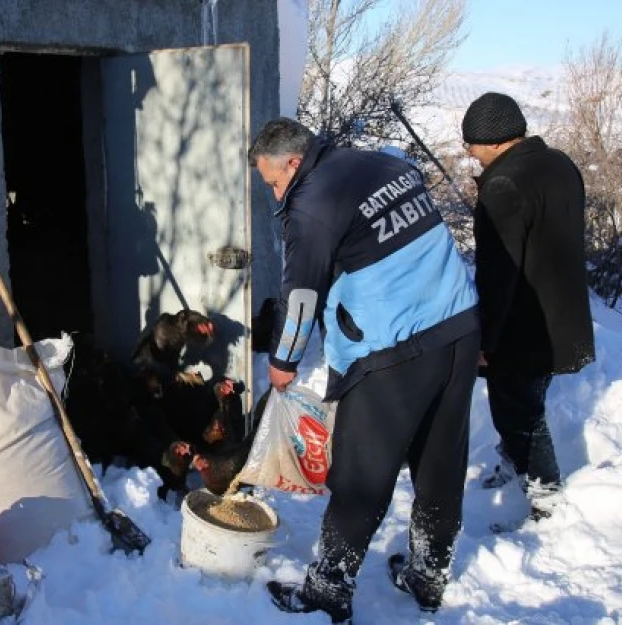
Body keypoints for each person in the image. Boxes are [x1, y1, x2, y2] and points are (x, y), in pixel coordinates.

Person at [250, 117, 480, 622]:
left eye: (272, 180)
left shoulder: (312, 205)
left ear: (294, 162)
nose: (273, 190)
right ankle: (427, 575)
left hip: (395, 349)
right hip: (459, 328)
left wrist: (284, 363)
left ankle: (328, 590)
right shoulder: (380, 162)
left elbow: (302, 297)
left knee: (361, 474)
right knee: (440, 462)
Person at [461, 92, 595, 523]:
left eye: (471, 144)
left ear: (495, 141)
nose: (469, 153)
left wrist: (487, 339)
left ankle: (546, 499)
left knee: (520, 414)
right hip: (562, 314)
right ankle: (516, 464)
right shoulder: (559, 163)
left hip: (524, 326)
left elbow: (498, 276)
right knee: (528, 401)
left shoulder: (502, 186)